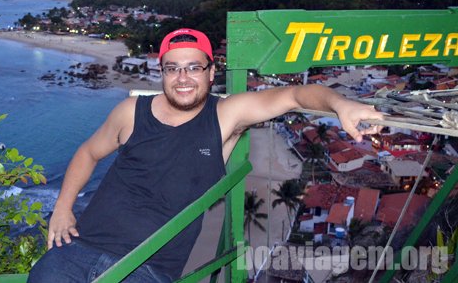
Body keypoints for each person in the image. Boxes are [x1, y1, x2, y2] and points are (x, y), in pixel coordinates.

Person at [28, 28, 383, 282]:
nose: (183, 78)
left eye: (194, 67)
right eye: (173, 68)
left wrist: (340, 104)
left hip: (147, 269)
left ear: (211, 73)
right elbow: (89, 152)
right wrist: (62, 207)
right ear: (162, 73)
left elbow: (294, 95)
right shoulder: (131, 111)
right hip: (77, 250)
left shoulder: (225, 115)